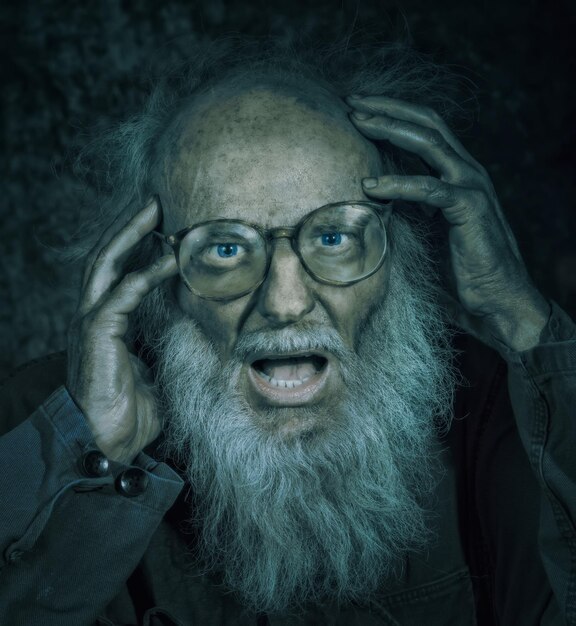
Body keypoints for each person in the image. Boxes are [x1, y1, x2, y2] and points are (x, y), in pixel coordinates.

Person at [1, 40, 575, 626]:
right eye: (224, 247)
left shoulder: (502, 402)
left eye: (333, 238)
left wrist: (522, 321)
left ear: (396, 255)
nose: (284, 301)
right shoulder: (45, 414)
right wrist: (85, 457)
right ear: (157, 272)